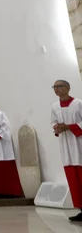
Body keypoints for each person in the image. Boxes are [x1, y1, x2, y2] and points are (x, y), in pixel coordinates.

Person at [51, 80, 82, 221]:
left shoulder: (78, 103)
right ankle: (81, 209)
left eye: (59, 86)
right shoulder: (54, 106)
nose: (56, 89)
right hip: (66, 146)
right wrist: (57, 127)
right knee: (73, 178)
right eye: (54, 87)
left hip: (79, 143)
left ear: (68, 88)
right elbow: (53, 122)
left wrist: (69, 127)